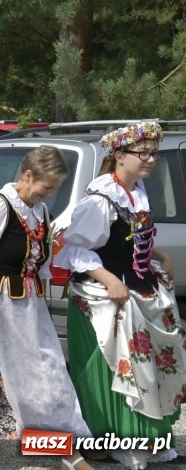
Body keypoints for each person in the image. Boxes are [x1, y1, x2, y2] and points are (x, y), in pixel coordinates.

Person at [0, 145, 92, 470]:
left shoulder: (40, 211)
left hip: (28, 308)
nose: (50, 194)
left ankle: (63, 449)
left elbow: (40, 263)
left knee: (45, 374)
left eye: (55, 188)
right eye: (47, 187)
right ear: (27, 175)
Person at [57, 121, 186, 469]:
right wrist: (110, 280)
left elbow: (126, 239)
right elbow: (71, 251)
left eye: (153, 153)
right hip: (103, 295)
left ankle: (151, 440)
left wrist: (157, 254)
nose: (150, 159)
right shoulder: (100, 198)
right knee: (119, 366)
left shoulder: (137, 189)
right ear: (119, 155)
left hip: (137, 286)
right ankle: (108, 438)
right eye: (142, 153)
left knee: (153, 364)